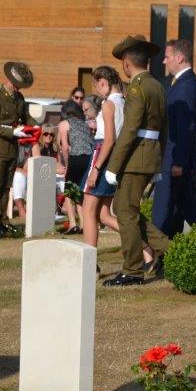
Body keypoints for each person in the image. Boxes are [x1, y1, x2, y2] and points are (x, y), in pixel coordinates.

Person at [102, 35, 171, 287]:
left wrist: (113, 167)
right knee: (125, 209)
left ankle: (132, 269)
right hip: (149, 155)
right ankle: (168, 249)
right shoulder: (157, 86)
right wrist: (159, 162)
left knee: (125, 212)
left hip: (135, 158)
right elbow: (164, 129)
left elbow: (129, 130)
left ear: (127, 64)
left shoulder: (136, 87)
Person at [152, 38, 196, 237]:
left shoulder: (186, 85)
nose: (164, 62)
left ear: (180, 57)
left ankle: (154, 253)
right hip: (173, 155)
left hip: (175, 157)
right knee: (186, 205)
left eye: (167, 57)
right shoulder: (180, 83)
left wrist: (179, 161)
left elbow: (185, 126)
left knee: (163, 206)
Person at [0, 61, 35, 238]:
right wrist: (12, 131)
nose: (19, 89)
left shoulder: (19, 99)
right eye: (18, 86)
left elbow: (26, 117)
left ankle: (4, 220)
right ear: (11, 82)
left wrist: (37, 127)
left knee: (7, 186)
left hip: (12, 148)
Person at [81, 66, 126, 255]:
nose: (96, 91)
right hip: (115, 158)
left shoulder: (108, 104)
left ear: (104, 83)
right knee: (104, 215)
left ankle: (90, 261)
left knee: (88, 210)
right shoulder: (124, 102)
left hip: (102, 154)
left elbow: (109, 139)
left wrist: (96, 168)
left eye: (96, 86)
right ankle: (144, 244)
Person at [57, 99, 93, 234]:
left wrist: (67, 165)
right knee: (80, 193)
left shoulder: (64, 124)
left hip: (76, 158)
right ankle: (83, 224)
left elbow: (65, 148)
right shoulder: (84, 124)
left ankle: (73, 224)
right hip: (88, 159)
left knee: (70, 191)